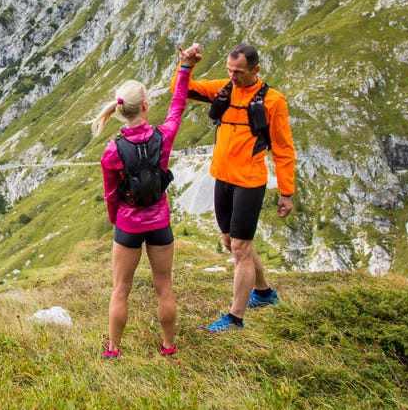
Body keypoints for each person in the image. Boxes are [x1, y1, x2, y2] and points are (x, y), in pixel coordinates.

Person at [174, 43, 296, 332]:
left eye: (238, 72)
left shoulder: (273, 101)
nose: (233, 76)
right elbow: (181, 91)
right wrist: (186, 65)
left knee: (240, 248)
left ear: (256, 70)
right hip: (222, 177)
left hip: (249, 181)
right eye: (229, 70)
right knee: (231, 241)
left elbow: (283, 148)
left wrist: (286, 192)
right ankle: (264, 293)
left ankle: (235, 318)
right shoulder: (224, 89)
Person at [93, 42, 203, 359]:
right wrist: (184, 68)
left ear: (119, 111)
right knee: (164, 287)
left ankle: (114, 349)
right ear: (144, 106)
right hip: (160, 223)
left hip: (128, 226)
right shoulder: (163, 137)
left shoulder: (112, 151)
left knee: (120, 289)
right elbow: (178, 105)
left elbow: (111, 195)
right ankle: (168, 345)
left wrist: (119, 223)